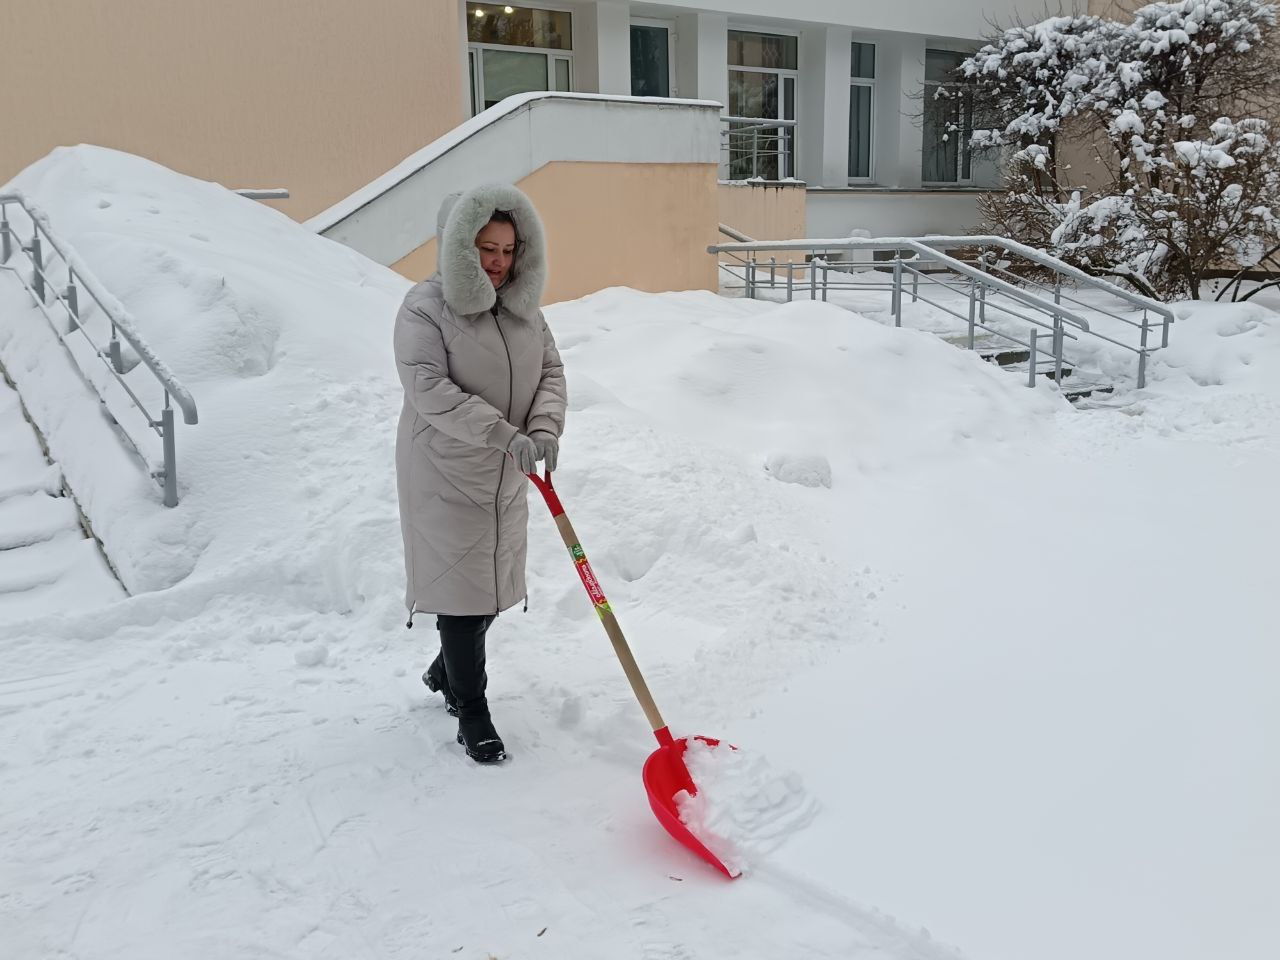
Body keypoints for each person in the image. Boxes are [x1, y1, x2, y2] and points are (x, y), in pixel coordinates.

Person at [393, 183, 567, 764]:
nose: (498, 262)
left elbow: (550, 373)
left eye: (508, 250)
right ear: (458, 245)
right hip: (445, 471)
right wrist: (503, 434)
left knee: (488, 588)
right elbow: (427, 388)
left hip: (507, 470)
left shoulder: (523, 310)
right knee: (463, 599)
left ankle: (447, 670)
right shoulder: (425, 307)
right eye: (486, 248)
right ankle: (472, 711)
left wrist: (543, 429)